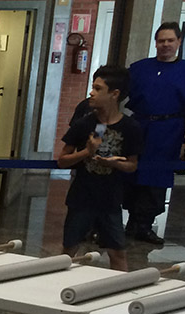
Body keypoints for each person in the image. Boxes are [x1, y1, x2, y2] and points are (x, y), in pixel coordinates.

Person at [124, 22, 185, 245]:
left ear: (178, 42)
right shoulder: (139, 68)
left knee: (156, 178)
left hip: (170, 130)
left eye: (170, 40)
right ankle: (131, 222)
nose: (165, 44)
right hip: (139, 126)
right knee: (131, 174)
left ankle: (144, 225)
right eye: (161, 41)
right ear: (155, 43)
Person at [58, 65, 142, 272]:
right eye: (92, 87)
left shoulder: (131, 128)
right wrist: (86, 152)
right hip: (82, 197)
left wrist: (113, 163)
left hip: (110, 199)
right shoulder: (83, 124)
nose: (91, 93)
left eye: (98, 89)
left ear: (114, 94)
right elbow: (63, 160)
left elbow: (132, 165)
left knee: (117, 252)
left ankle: (121, 288)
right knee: (68, 250)